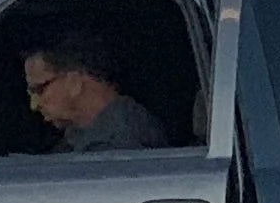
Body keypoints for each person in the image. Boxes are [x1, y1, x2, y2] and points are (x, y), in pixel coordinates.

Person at [20, 39, 174, 155]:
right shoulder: (83, 133)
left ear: (75, 81)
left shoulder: (121, 144)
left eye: (39, 90)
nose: (34, 105)